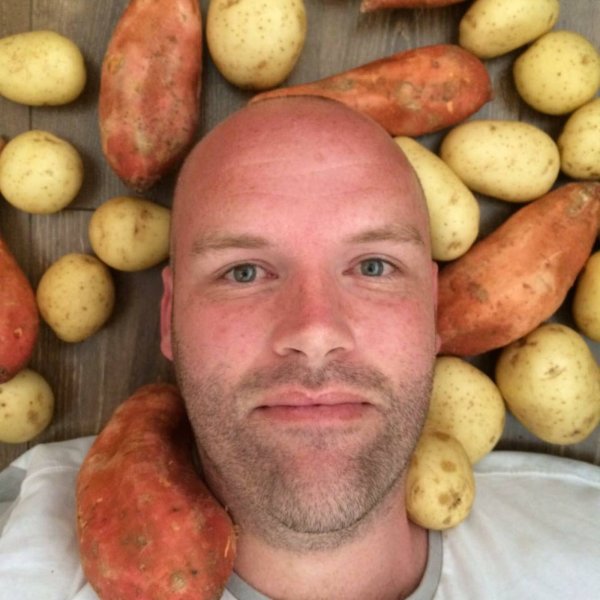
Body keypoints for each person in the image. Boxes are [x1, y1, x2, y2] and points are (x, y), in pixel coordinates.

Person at [0, 97, 599, 600]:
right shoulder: (20, 544)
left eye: (374, 266)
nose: (315, 332)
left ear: (432, 312)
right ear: (168, 317)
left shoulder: (583, 538)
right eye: (243, 272)